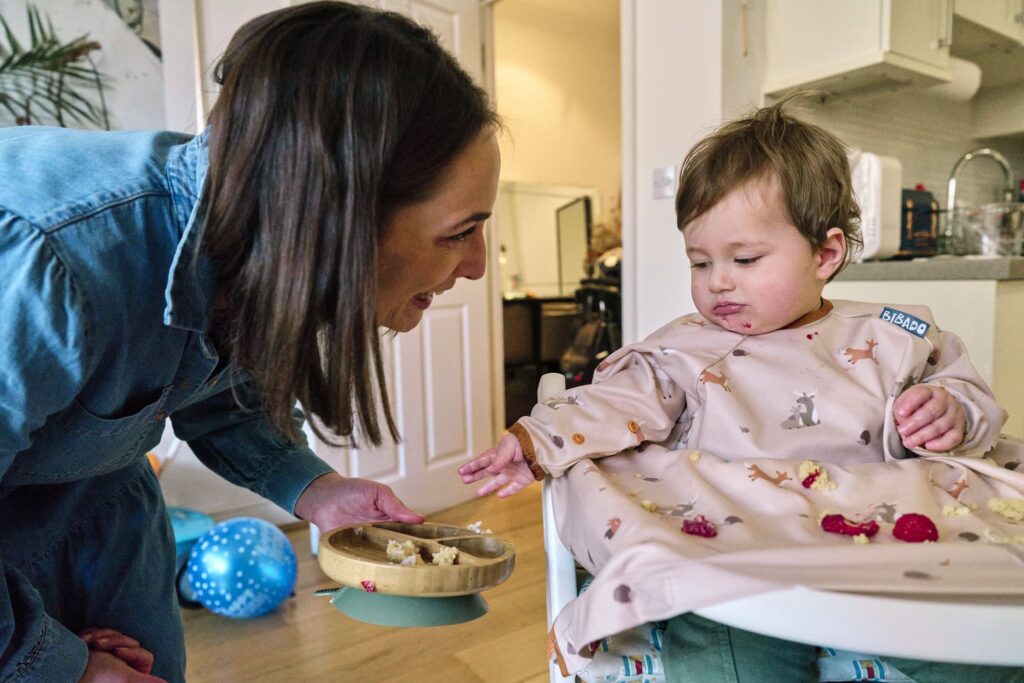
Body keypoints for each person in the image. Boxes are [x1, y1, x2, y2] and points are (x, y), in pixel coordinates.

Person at [0, 2, 499, 681]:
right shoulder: (54, 261)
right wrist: (58, 663)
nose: (476, 267)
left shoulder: (251, 244)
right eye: (460, 231)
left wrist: (317, 489)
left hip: (103, 516)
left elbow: (215, 396)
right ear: (339, 211)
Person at [459, 100, 1020, 682]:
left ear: (825, 254)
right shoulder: (689, 349)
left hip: (887, 553)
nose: (717, 281)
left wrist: (952, 412)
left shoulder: (891, 336)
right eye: (699, 263)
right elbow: (619, 400)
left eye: (745, 259)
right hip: (742, 553)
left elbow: (969, 401)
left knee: (981, 635)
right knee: (717, 637)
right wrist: (536, 440)